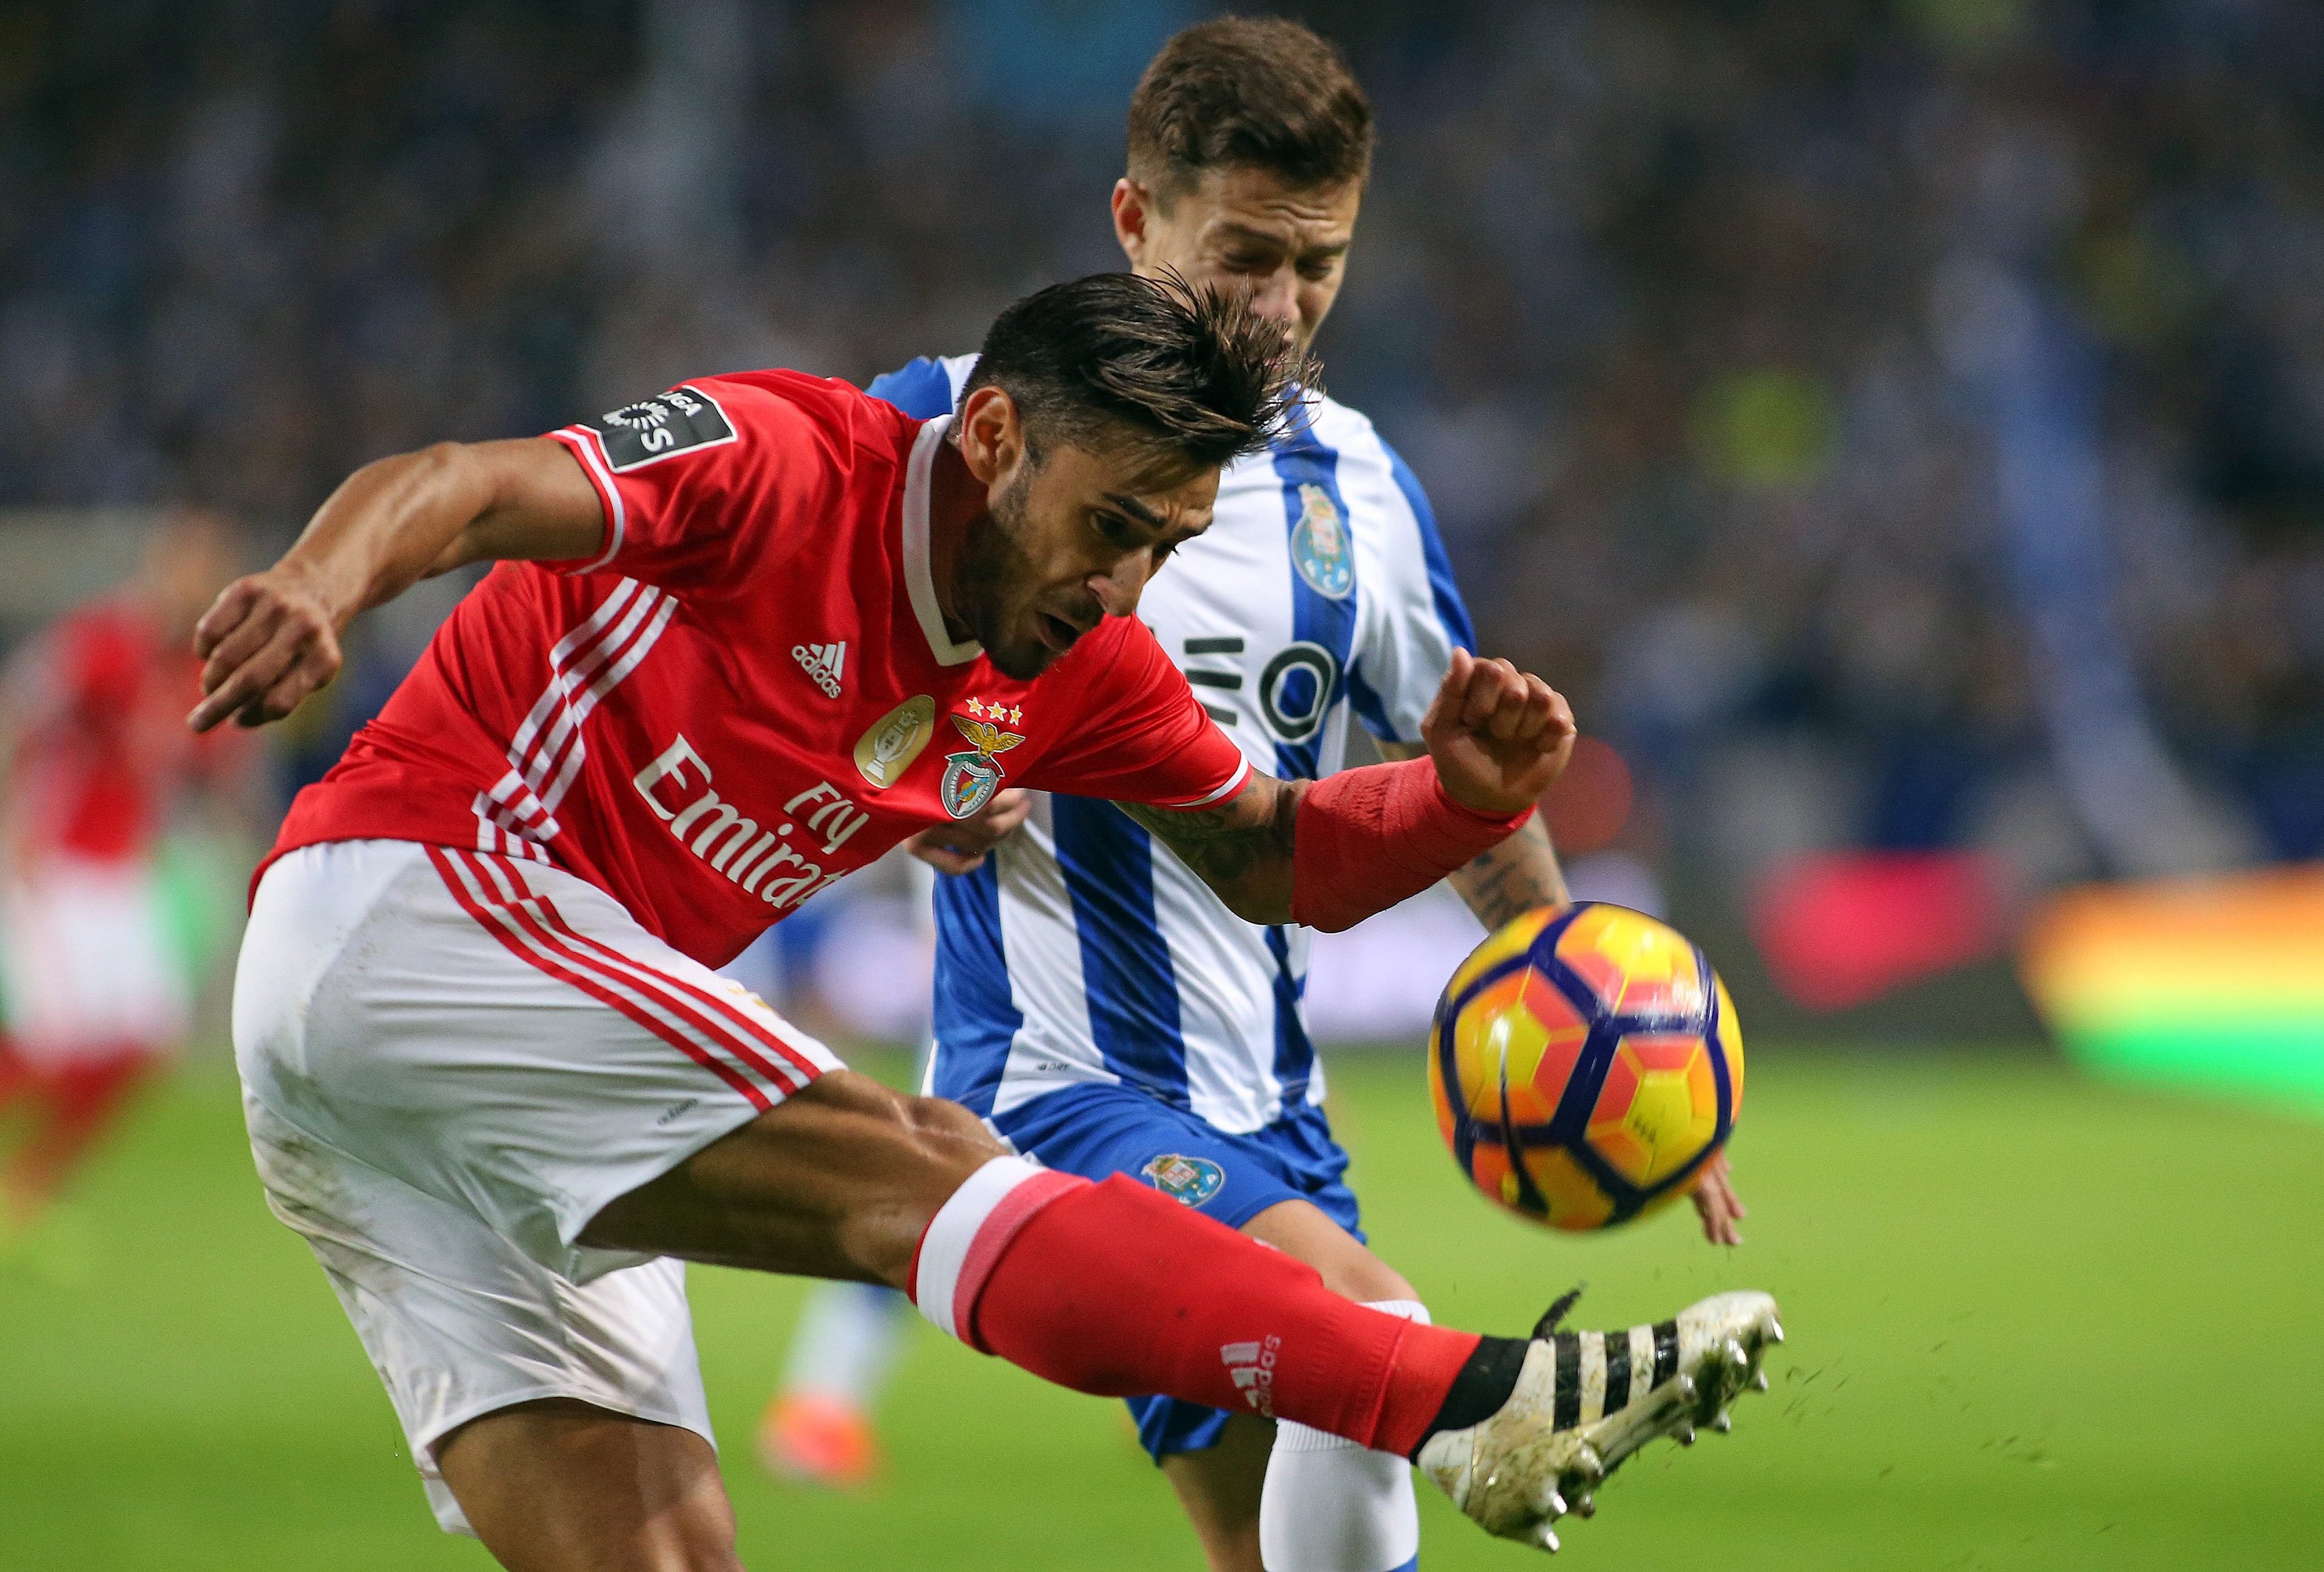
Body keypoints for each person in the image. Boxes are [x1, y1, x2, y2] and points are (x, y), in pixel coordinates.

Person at [201, 269, 1777, 1570]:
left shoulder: (1075, 666)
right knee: (929, 1169)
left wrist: (1460, 801)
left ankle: (1443, 1399)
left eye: (1167, 544)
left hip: (455, 1086)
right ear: (997, 435)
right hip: (425, 906)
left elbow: (1260, 851)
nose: (1129, 587)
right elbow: (466, 486)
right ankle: (1459, 1397)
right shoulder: (782, 462)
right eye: (1111, 527)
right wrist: (318, 583)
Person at [758, 21, 1749, 1571]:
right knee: (1368, 1351)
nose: (1278, 307)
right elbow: (789, 664)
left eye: (1318, 266)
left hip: (1270, 1108)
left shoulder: (1358, 485)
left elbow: (1466, 784)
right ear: (1131, 221)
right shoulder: (963, 419)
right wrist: (904, 778)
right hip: (1057, 1086)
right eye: (1241, 256)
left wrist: (1602, 1026)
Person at [0, 510, 254, 1236]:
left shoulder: (190, 672)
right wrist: (15, 822)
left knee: (146, 1037)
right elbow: (24, 712)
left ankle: (31, 1183)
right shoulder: (105, 642)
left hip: (126, 874)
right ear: (162, 567)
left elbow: (206, 767)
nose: (199, 586)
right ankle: (27, 1186)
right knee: (51, 1045)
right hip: (58, 864)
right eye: (190, 567)